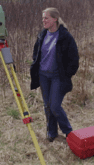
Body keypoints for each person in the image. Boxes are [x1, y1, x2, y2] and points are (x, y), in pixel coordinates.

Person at [30, 8, 79, 142]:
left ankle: (68, 132)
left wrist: (67, 74)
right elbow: (36, 53)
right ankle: (52, 133)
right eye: (43, 18)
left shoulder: (65, 36)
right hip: (43, 76)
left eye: (46, 18)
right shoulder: (42, 35)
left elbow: (74, 59)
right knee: (47, 106)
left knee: (55, 106)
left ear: (55, 19)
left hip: (58, 77)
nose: (43, 21)